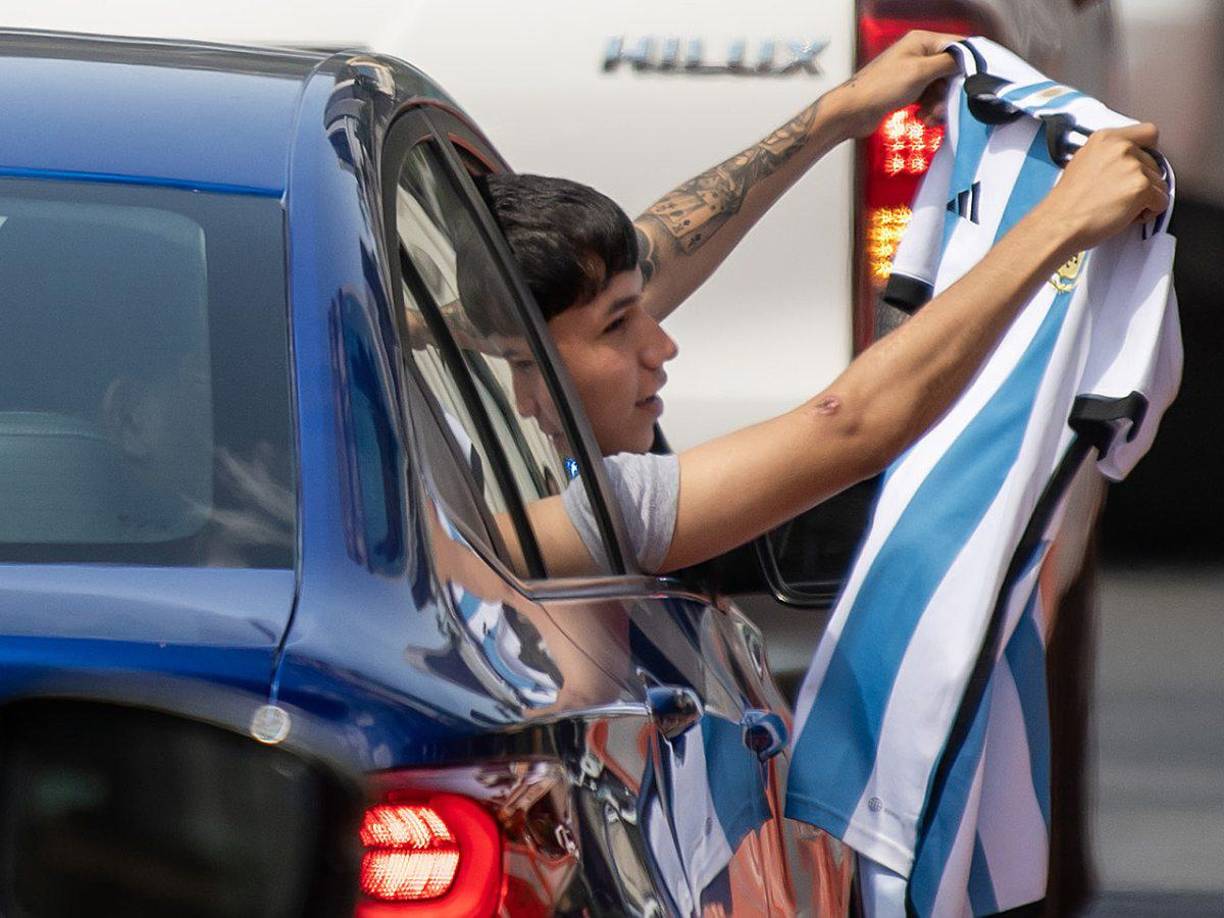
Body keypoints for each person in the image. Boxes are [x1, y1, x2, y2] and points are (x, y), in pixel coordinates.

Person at [450, 30, 1168, 579]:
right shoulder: (561, 526)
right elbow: (848, 427)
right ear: (518, 362)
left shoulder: (409, 377)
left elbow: (658, 247)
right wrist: (1057, 225)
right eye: (619, 323)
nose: (661, 344)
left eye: (642, 309)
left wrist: (838, 115)